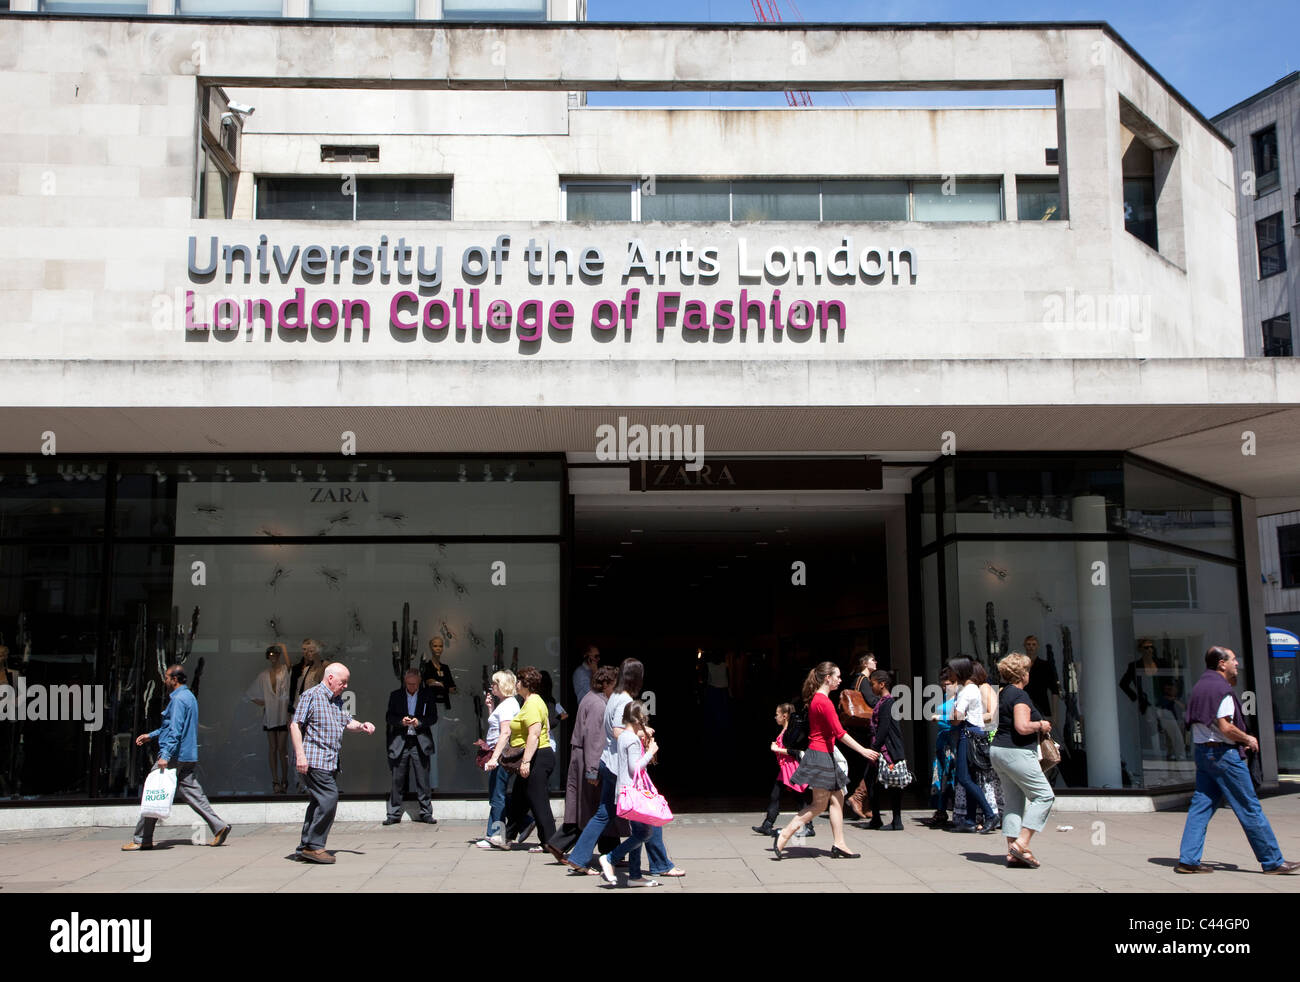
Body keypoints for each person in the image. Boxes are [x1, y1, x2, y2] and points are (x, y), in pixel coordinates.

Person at [1175, 646, 1300, 875]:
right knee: (1249, 807)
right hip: (1224, 755)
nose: (1237, 664)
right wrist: (1248, 738)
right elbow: (1226, 727)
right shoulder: (1220, 689)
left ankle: (1188, 860)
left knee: (1200, 807)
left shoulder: (1200, 686)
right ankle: (1273, 862)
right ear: (1221, 663)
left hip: (1203, 754)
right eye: (1233, 660)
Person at [773, 661, 875, 860]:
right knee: (819, 805)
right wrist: (863, 750)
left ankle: (840, 844)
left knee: (838, 799)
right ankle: (784, 834)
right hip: (821, 756)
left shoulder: (817, 700)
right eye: (837, 676)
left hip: (823, 754)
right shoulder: (823, 701)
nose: (840, 679)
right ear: (828, 678)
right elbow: (839, 733)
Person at [123, 664, 231, 851]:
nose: (164, 680)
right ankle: (219, 826)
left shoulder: (179, 700)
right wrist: (152, 735)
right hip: (187, 755)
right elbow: (171, 726)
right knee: (193, 794)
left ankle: (142, 839)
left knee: (153, 793)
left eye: (166, 677)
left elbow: (175, 730)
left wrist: (165, 756)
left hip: (174, 756)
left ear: (175, 679)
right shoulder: (188, 697)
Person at [290, 662, 376, 864]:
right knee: (329, 797)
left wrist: (362, 726)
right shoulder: (311, 695)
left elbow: (347, 722)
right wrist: (300, 755)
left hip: (330, 761)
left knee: (318, 802)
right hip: (314, 760)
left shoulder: (337, 700)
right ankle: (314, 846)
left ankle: (305, 846)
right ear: (330, 678)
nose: (345, 686)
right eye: (343, 682)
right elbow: (295, 724)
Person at [489, 666, 564, 860]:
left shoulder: (532, 703)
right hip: (535, 756)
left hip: (537, 757)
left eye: (519, 681)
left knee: (539, 801)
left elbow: (535, 734)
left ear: (526, 684)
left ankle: (551, 843)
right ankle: (507, 837)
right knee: (518, 800)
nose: (516, 685)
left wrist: (526, 762)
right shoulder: (531, 702)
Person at [989, 653, 1056, 868]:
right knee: (1044, 796)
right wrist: (1041, 725)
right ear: (1022, 674)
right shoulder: (1020, 696)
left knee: (1014, 802)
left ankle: (1012, 853)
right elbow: (1022, 726)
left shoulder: (1003, 693)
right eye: (1027, 671)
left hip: (999, 751)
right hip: (1016, 752)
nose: (1029, 674)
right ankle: (1021, 843)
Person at [595, 701, 662, 888]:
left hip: (625, 791)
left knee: (638, 832)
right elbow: (635, 768)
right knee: (645, 833)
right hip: (634, 793)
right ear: (639, 719)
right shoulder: (631, 740)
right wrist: (650, 752)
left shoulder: (624, 736)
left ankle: (634, 875)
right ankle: (610, 858)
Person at [562, 665, 619, 851]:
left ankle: (609, 850)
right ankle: (572, 849)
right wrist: (593, 771)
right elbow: (595, 739)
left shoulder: (592, 698)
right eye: (615, 684)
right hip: (590, 761)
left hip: (584, 758)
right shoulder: (598, 704)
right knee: (596, 809)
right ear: (607, 684)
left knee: (594, 808)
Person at [949, 656, 998, 834]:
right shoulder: (971, 688)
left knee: (963, 777)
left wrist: (952, 715)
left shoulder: (966, 690)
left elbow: (957, 718)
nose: (949, 674)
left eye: (951, 670)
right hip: (975, 733)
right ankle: (970, 819)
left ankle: (989, 814)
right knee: (970, 777)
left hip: (967, 734)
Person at [383, 669, 437, 826]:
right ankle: (393, 813)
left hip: (420, 740)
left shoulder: (427, 695)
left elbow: (433, 717)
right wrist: (402, 721)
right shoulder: (396, 695)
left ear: (419, 682)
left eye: (414, 684)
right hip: (401, 740)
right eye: (408, 684)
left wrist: (419, 722)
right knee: (397, 779)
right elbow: (389, 717)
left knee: (423, 779)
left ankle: (426, 812)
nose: (411, 687)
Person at [753, 702, 813, 837]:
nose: (775, 717)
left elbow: (796, 751)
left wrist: (777, 749)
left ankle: (809, 826)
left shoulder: (791, 732)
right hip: (784, 769)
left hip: (792, 769)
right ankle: (767, 825)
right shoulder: (785, 731)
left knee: (799, 798)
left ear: (785, 716)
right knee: (775, 795)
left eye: (777, 714)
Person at [476, 670, 519, 849]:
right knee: (496, 794)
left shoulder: (509, 704)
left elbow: (505, 732)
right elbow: (497, 726)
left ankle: (497, 834)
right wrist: (490, 708)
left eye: (494, 684)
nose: (492, 687)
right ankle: (493, 833)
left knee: (498, 795)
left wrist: (494, 757)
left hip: (502, 754)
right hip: (498, 753)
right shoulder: (505, 704)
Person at [246, 642, 292, 793]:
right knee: (272, 748)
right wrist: (265, 702)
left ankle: (285, 779)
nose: (273, 657)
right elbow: (251, 694)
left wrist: (283, 647)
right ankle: (275, 780)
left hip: (282, 714)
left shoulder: (284, 671)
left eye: (275, 654)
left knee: (282, 749)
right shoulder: (264, 675)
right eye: (271, 655)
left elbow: (289, 665)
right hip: (270, 715)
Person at [865, 670, 906, 830]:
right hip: (884, 748)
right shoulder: (884, 702)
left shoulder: (888, 703)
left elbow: (883, 729)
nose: (871, 687)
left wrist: (873, 749)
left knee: (892, 783)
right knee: (872, 781)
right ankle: (878, 819)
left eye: (872, 684)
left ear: (882, 684)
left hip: (888, 750)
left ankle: (896, 821)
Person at [843, 651, 877, 821]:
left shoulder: (855, 679)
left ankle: (865, 804)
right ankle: (859, 799)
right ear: (864, 663)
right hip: (863, 729)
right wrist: (884, 700)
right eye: (872, 660)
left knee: (862, 765)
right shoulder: (863, 681)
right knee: (869, 764)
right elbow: (871, 701)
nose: (875, 662)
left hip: (855, 729)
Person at [420, 636, 456, 792]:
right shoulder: (426, 666)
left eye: (440, 646)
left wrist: (440, 685)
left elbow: (452, 688)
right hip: (431, 708)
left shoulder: (445, 667)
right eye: (435, 646)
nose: (438, 649)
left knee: (443, 744)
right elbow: (429, 683)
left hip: (445, 708)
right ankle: (432, 784)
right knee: (433, 744)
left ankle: (441, 781)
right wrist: (441, 685)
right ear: (430, 647)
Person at [926, 667, 959, 828]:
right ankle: (940, 809)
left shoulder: (959, 699)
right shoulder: (946, 697)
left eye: (950, 683)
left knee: (950, 775)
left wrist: (941, 717)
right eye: (944, 684)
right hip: (942, 740)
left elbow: (959, 717)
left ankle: (954, 809)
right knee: (940, 776)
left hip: (952, 739)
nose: (946, 687)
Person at [1022, 635, 1059, 726]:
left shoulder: (1045, 666)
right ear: (1024, 646)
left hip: (1042, 707)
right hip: (1024, 706)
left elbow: (1054, 690)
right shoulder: (1020, 665)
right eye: (1028, 644)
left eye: (1033, 644)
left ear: (1037, 646)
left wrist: (1054, 715)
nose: (1031, 647)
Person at [289, 639, 324, 712]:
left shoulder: (324, 665)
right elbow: (293, 689)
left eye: (311, 651)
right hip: (300, 705)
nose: (307, 653)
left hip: (315, 706)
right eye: (304, 649)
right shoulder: (300, 668)